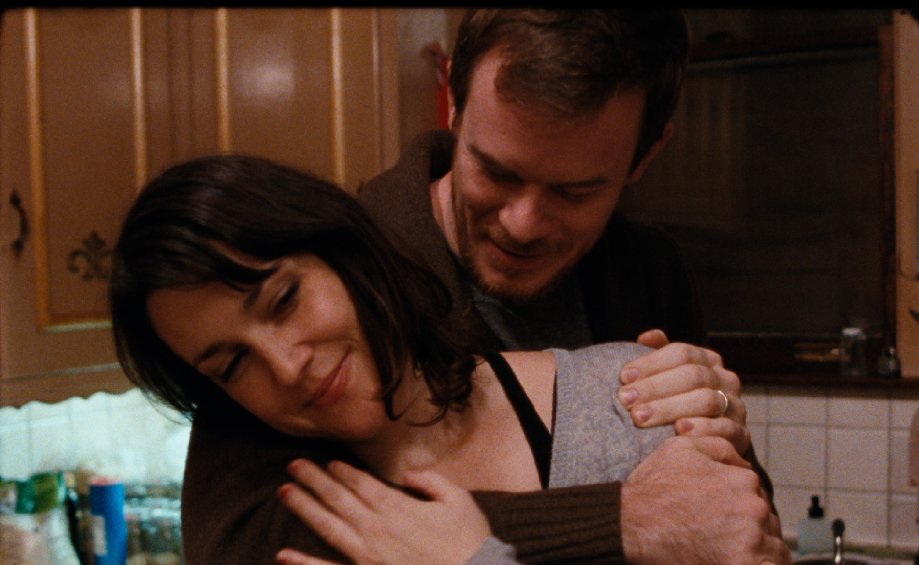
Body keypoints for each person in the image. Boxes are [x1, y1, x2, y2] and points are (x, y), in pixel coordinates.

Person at [176, 8, 777, 564]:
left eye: (576, 192)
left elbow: (737, 522)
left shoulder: (648, 269)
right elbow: (239, 544)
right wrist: (625, 519)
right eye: (495, 171)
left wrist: (720, 418)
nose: (522, 224)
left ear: (646, 155)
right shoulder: (343, 276)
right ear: (453, 107)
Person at [110, 154, 787, 565]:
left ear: (345, 252)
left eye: (284, 300)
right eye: (231, 366)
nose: (285, 368)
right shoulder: (279, 527)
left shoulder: (630, 397)